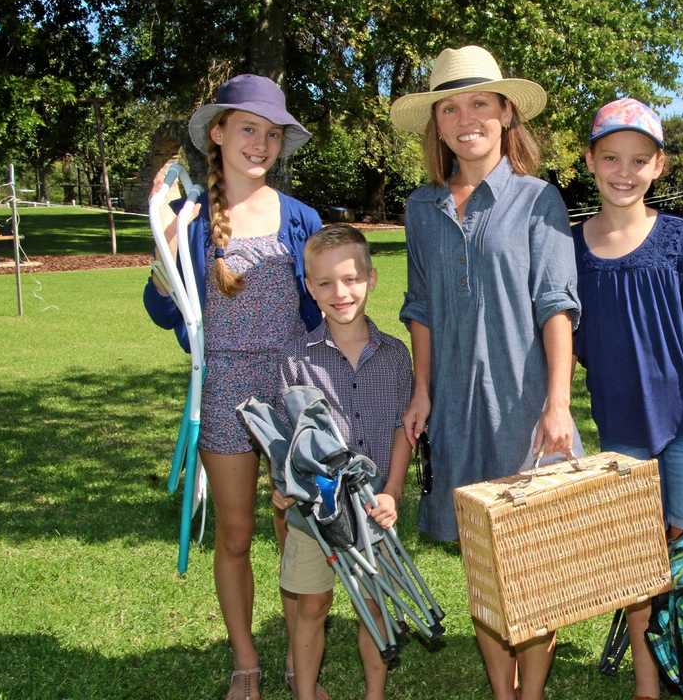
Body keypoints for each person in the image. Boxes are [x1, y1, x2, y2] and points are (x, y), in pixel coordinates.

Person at [389, 45, 580, 700]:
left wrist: (557, 404)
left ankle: (531, 693)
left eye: (478, 103)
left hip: (526, 409)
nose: (464, 117)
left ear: (504, 113)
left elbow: (558, 308)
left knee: (531, 566)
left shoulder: (538, 201)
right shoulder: (422, 210)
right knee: (482, 567)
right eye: (450, 107)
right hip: (455, 413)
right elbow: (420, 310)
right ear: (437, 123)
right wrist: (420, 392)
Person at [143, 73, 322, 700]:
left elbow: (324, 305)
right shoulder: (192, 221)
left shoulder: (300, 219)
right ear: (217, 133)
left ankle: (303, 661)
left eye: (272, 134)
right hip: (222, 389)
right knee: (236, 532)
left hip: (293, 388)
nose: (261, 143)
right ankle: (245, 657)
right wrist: (165, 260)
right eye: (249, 129)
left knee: (297, 531)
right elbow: (165, 311)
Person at [571, 98, 683, 700]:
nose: (624, 171)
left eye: (639, 160)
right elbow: (562, 337)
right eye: (611, 157)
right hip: (622, 431)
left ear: (659, 166)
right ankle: (648, 685)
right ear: (589, 160)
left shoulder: (676, 241)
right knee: (638, 564)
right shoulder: (571, 248)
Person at [272, 224, 412, 700]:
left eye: (351, 279)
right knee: (311, 605)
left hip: (372, 510)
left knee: (374, 605)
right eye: (326, 283)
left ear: (371, 278)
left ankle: (375, 693)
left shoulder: (395, 355)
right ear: (309, 287)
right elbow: (288, 440)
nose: (340, 292)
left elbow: (401, 429)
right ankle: (305, 693)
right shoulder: (295, 359)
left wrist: (393, 490)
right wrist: (284, 483)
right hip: (312, 515)